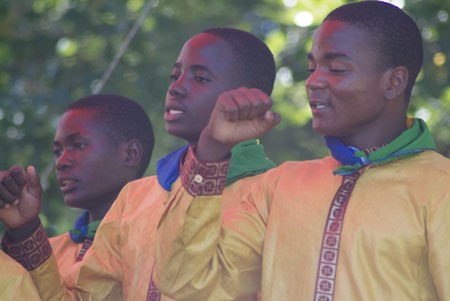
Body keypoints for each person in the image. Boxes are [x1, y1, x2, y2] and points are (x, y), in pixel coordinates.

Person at [155, 2, 450, 300]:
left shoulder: (441, 187)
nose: (313, 81)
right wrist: (210, 151)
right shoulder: (280, 185)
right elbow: (186, 283)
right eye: (312, 68)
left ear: (394, 82)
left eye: (336, 69)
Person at [0, 27, 277, 300]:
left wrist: (209, 156)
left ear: (249, 99)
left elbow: (194, 286)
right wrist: (25, 231)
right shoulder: (136, 197)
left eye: (201, 78)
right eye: (175, 76)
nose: (176, 88)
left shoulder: (271, 194)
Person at [49, 94, 154, 281]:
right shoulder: (49, 253)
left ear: (130, 154)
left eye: (79, 145)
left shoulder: (158, 238)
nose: (61, 162)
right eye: (58, 152)